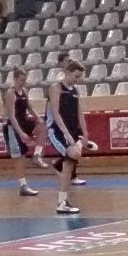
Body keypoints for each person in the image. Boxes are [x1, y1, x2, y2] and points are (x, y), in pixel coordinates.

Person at [44, 60, 88, 215]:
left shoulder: (75, 91)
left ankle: (62, 202)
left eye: (79, 77)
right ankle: (58, 164)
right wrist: (67, 135)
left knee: (69, 165)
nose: (77, 79)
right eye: (76, 76)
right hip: (57, 129)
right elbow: (55, 113)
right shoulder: (55, 88)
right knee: (74, 154)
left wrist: (85, 133)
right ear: (68, 72)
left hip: (72, 128)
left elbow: (79, 112)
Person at [0, 67, 41, 196]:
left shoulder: (24, 90)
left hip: (23, 122)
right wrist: (21, 133)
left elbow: (28, 105)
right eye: (21, 80)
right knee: (19, 157)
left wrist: (37, 117)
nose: (23, 82)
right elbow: (11, 116)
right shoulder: (10, 93)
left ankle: (37, 155)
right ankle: (23, 186)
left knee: (43, 128)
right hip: (12, 125)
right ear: (15, 79)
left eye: (25, 80)